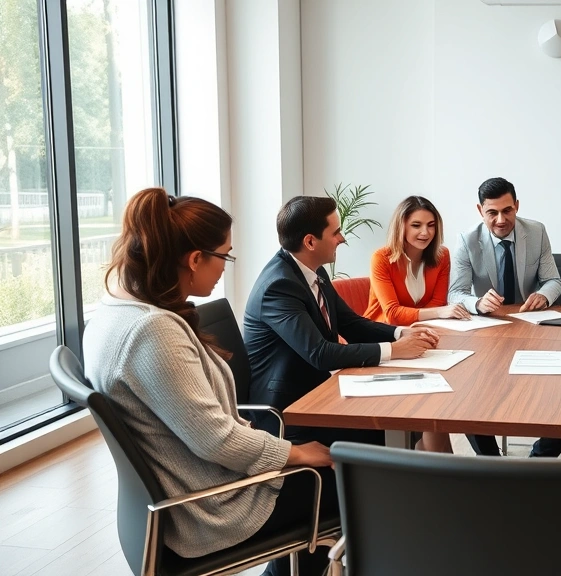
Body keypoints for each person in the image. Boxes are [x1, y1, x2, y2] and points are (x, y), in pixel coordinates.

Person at [83, 188, 336, 575]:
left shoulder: (113, 311)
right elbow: (217, 439)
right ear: (195, 258)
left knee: (331, 469)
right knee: (349, 482)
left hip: (194, 488)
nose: (225, 267)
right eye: (225, 255)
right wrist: (297, 454)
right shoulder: (152, 332)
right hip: (212, 509)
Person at [245, 196, 440, 447]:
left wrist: (400, 334)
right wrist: (394, 351)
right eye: (336, 232)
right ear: (310, 241)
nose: (342, 238)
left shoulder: (312, 269)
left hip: (316, 388)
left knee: (406, 416)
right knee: (391, 425)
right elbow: (320, 354)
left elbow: (351, 324)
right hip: (289, 408)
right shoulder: (278, 287)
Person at [448, 176, 561, 456]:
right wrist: (477, 302)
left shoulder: (536, 232)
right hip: (487, 332)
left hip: (531, 328)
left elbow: (553, 280)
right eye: (492, 212)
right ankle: (491, 460)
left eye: (507, 210)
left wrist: (543, 295)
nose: (501, 219)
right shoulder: (467, 240)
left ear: (517, 206)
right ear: (480, 211)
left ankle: (538, 458)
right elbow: (455, 293)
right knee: (468, 397)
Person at [364, 195, 467, 452]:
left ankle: (430, 458)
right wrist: (438, 314)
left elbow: (436, 302)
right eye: (416, 225)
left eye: (431, 225)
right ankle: (433, 461)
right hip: (384, 341)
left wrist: (432, 316)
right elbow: (392, 314)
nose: (425, 232)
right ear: (402, 226)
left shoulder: (441, 256)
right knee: (437, 399)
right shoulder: (382, 258)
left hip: (422, 337)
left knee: (445, 394)